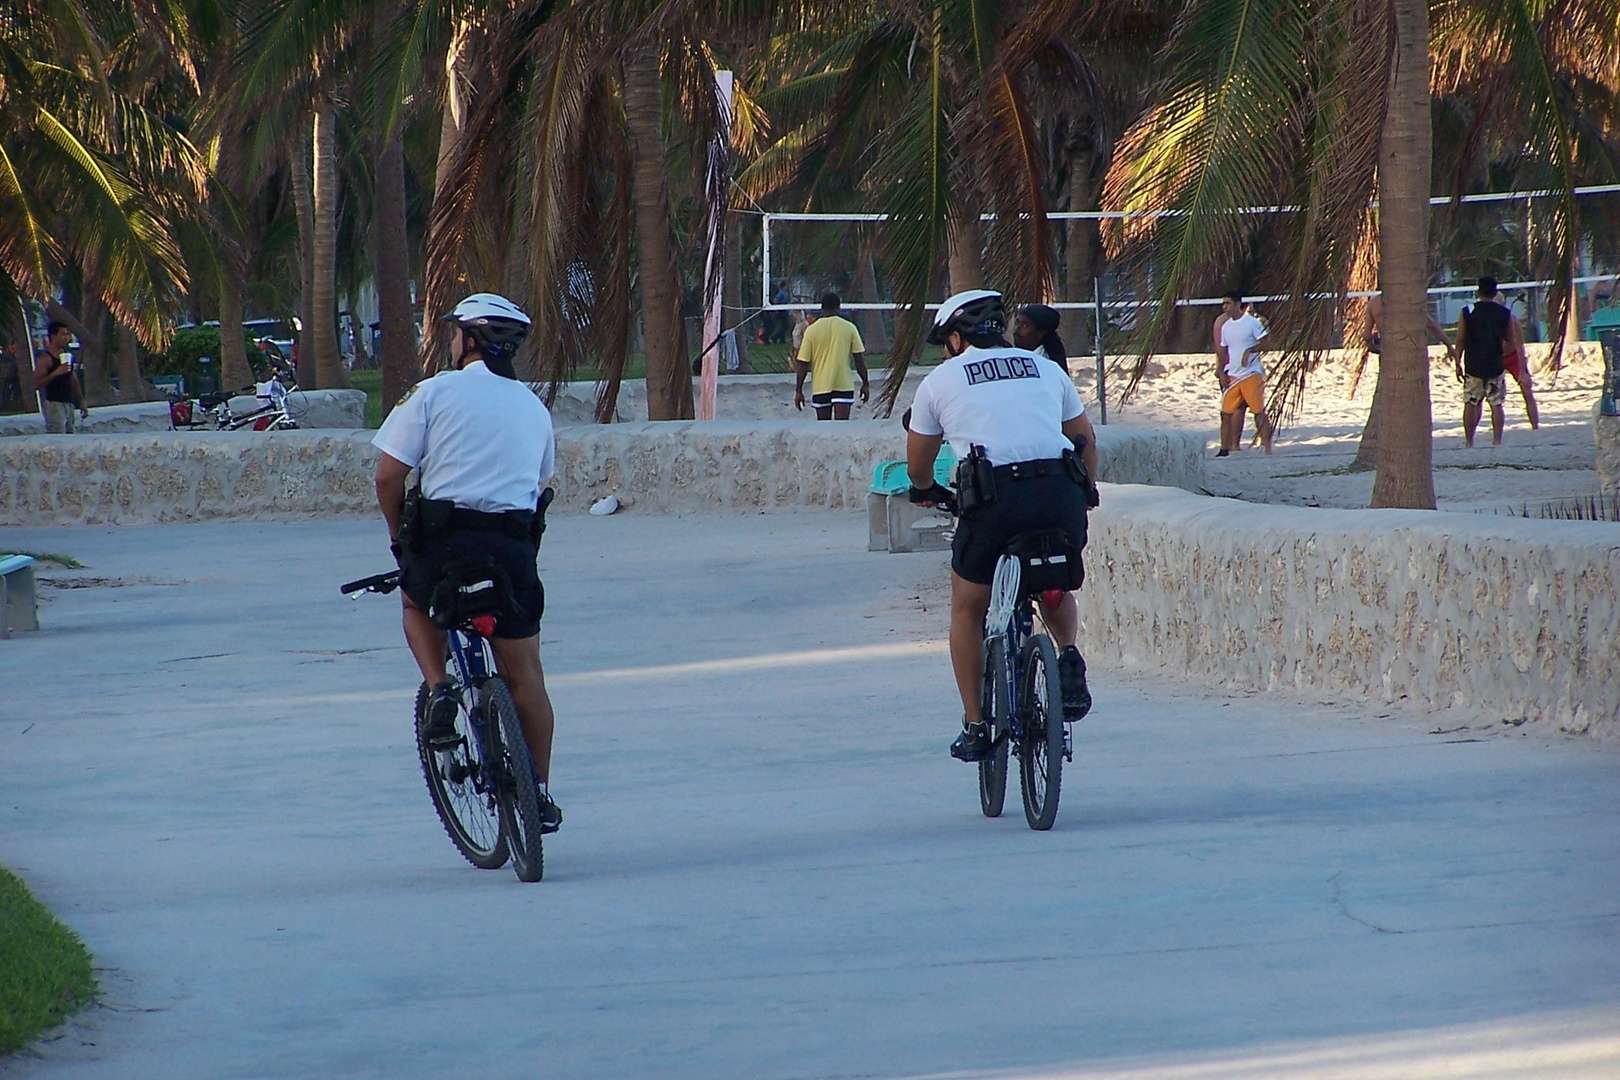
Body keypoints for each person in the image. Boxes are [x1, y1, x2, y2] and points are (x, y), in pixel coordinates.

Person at [372, 292, 563, 832]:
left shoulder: (434, 393)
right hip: (512, 550)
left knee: (414, 600)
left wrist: (400, 541)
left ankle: (437, 689)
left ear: (469, 339)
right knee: (527, 678)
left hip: (443, 544)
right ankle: (539, 793)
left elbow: (389, 476)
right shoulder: (534, 407)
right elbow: (539, 480)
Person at [905, 289, 1100, 763]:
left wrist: (929, 489)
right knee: (1053, 577)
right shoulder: (1046, 368)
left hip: (996, 499)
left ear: (955, 337)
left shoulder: (939, 381)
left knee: (968, 607)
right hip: (1060, 491)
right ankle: (1068, 651)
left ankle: (975, 725)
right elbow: (1083, 440)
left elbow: (917, 467)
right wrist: (1084, 493)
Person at [1454, 276, 1512, 447]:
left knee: (1471, 402)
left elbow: (1460, 340)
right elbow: (1511, 341)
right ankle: (1497, 440)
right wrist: (1501, 354)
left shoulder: (1468, 311)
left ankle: (1469, 441)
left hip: (1473, 363)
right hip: (1494, 363)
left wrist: (1457, 361)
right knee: (1496, 403)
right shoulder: (1503, 313)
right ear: (1495, 292)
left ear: (1478, 292)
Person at [794, 292, 870, 419]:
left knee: (824, 430)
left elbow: (803, 364)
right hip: (843, 384)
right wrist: (865, 384)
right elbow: (859, 360)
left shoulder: (812, 330)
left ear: (822, 308)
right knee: (842, 428)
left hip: (821, 387)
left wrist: (798, 391)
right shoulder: (849, 327)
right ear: (839, 307)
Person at [1217, 293, 1274, 454]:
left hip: (1251, 373)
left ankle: (1267, 447)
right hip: (1233, 374)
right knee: (1226, 413)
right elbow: (1223, 350)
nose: (1225, 307)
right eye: (1224, 304)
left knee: (1258, 411)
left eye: (1228, 303)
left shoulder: (1252, 323)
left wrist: (1250, 350)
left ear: (1237, 304)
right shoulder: (1226, 326)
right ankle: (1225, 448)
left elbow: (1267, 344)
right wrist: (1221, 371)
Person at [31, 322, 87, 433]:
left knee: (71, 433)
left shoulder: (67, 355)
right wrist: (56, 372)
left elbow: (73, 378)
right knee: (58, 433)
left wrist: (81, 402)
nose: (66, 338)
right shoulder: (45, 358)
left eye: (67, 334)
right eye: (63, 334)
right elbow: (36, 383)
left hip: (69, 402)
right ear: (53, 336)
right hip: (54, 403)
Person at [1212, 304, 1245, 457]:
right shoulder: (1224, 322)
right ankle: (1233, 444)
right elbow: (1220, 350)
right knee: (1236, 407)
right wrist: (1221, 370)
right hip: (1234, 369)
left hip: (1235, 368)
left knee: (1234, 407)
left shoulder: (1223, 321)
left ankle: (1230, 444)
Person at [1011, 303, 1070, 374]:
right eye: (1017, 323)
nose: (1016, 330)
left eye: (1025, 326)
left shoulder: (1048, 366)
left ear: (1040, 333)